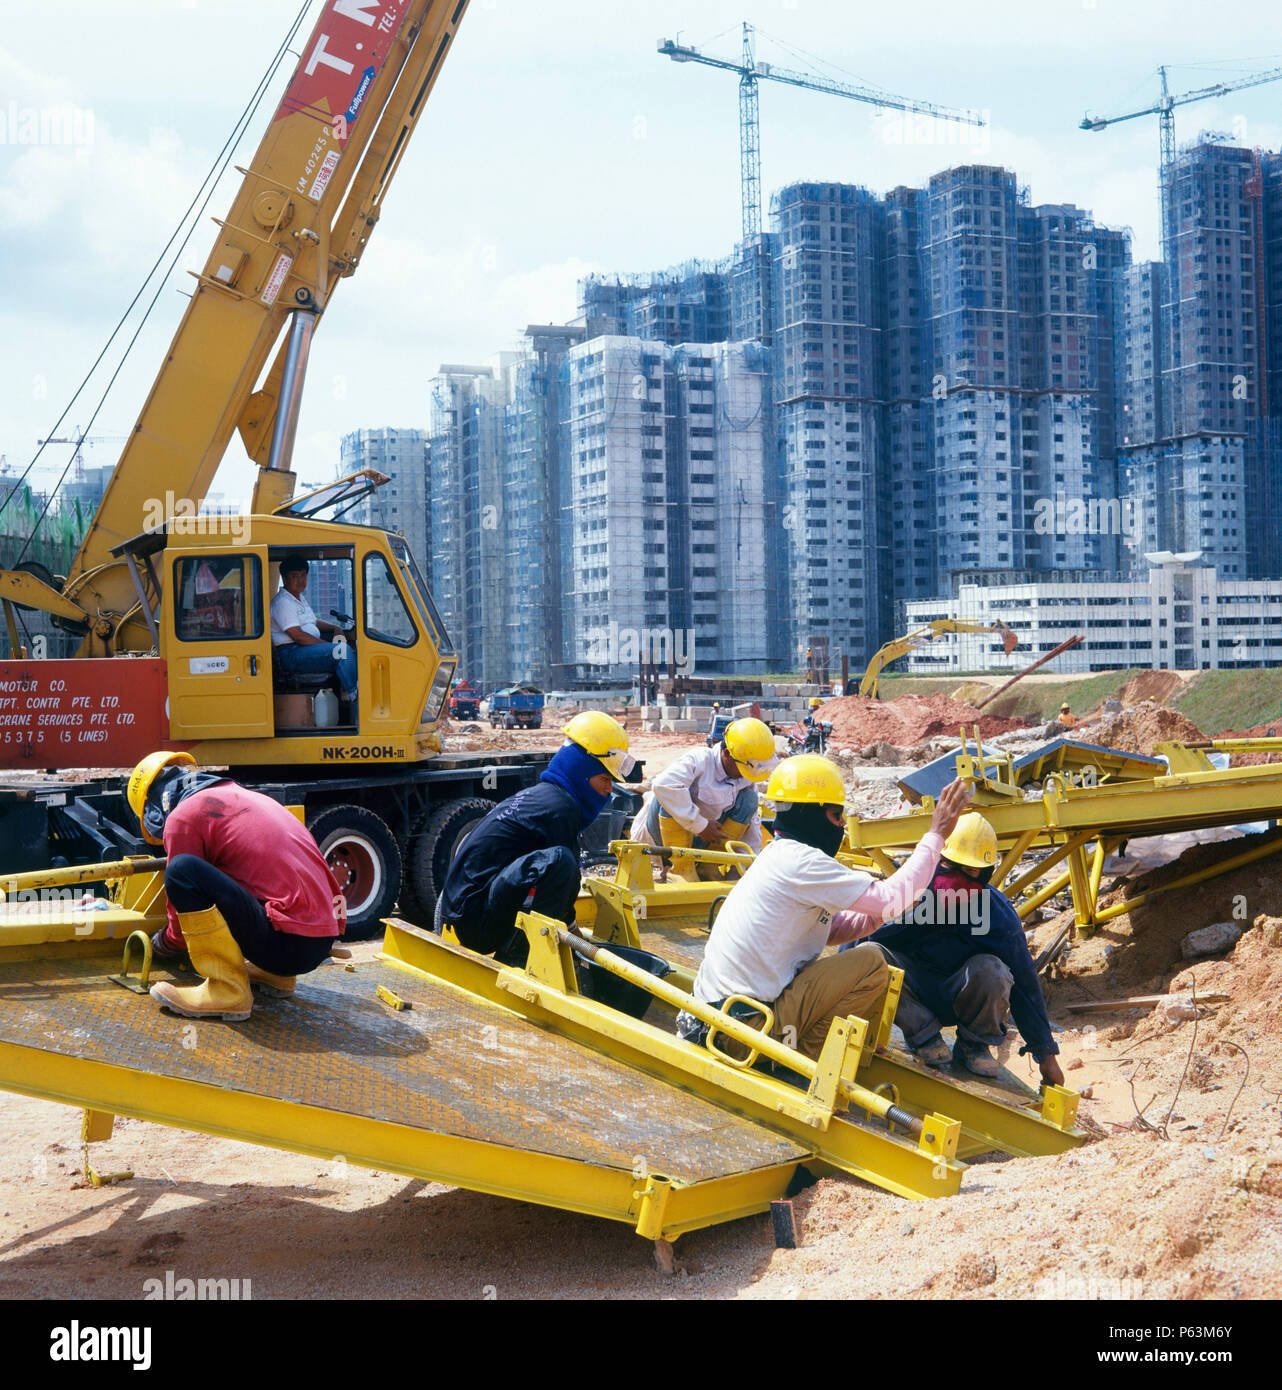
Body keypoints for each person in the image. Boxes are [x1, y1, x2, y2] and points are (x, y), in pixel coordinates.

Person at [679, 755, 971, 1064]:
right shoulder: (803, 862)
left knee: (862, 955)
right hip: (744, 1032)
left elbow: (828, 928)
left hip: (719, 1020)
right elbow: (890, 899)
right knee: (872, 961)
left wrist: (878, 912)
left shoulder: (779, 855)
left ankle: (794, 1043)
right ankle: (800, 1056)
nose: (843, 824)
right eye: (836, 815)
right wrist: (936, 834)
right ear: (810, 816)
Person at [838, 811, 1064, 1086]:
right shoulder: (907, 896)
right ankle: (924, 1037)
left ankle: (974, 1046)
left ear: (985, 875)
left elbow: (1026, 985)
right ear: (935, 861)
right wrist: (836, 1016)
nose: (955, 879)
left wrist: (1046, 1056)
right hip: (909, 996)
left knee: (995, 971)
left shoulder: (996, 914)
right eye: (948, 865)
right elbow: (853, 944)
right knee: (869, 955)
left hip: (960, 996)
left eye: (968, 871)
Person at [128, 751, 346, 1021]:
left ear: (152, 808)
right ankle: (275, 977)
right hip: (318, 940)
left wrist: (163, 943)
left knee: (182, 870)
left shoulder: (182, 817)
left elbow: (181, 919)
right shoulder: (245, 797)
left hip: (287, 945)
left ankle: (227, 991)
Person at [436, 711, 633, 965]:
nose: (609, 789)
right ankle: (519, 959)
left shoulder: (543, 797)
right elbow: (563, 885)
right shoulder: (560, 809)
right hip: (476, 925)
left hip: (464, 913)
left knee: (559, 865)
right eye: (605, 778)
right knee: (562, 863)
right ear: (580, 772)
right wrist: (579, 946)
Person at [631, 716, 776, 856]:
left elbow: (752, 825)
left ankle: (710, 866)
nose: (746, 775)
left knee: (750, 799)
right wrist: (701, 826)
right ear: (727, 754)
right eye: (744, 769)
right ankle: (680, 868)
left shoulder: (745, 776)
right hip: (662, 841)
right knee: (669, 794)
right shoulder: (700, 760)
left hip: (704, 841)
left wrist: (747, 864)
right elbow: (663, 785)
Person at [270, 554, 357, 702]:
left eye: (303, 575)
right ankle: (355, 696)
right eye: (295, 576)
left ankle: (348, 694)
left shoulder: (298, 597)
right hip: (291, 654)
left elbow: (313, 621)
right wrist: (329, 646)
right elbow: (298, 636)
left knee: (353, 652)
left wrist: (335, 627)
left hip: (301, 650)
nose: (300, 580)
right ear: (285, 579)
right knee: (342, 652)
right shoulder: (283, 602)